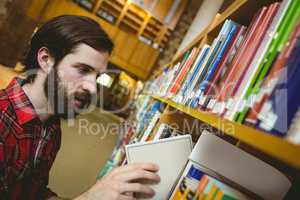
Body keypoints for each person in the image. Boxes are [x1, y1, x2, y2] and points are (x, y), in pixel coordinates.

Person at [0, 15, 160, 200]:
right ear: (45, 60)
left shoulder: (50, 127)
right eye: (82, 70)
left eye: (97, 76)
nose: (92, 87)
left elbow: (32, 193)